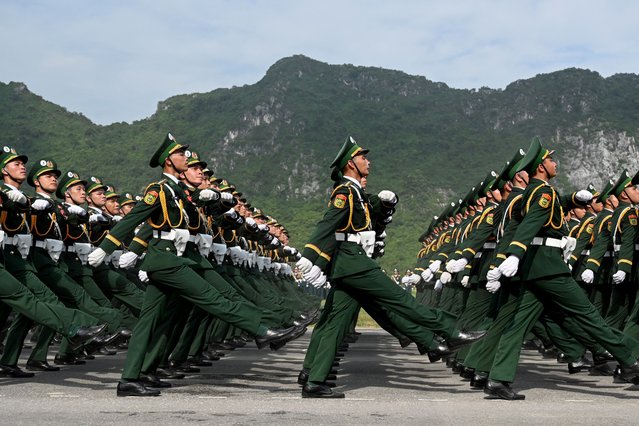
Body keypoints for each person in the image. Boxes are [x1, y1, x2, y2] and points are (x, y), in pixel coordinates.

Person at [88, 133, 302, 397]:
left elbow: (197, 212)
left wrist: (213, 199)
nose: (187, 160)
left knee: (154, 321)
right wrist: (105, 248)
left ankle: (136, 375)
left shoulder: (178, 191)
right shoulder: (159, 190)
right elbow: (133, 220)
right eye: (181, 156)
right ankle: (260, 330)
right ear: (169, 161)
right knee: (213, 299)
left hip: (177, 258)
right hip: (167, 261)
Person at [296, 136, 486, 398]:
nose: (368, 162)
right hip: (353, 262)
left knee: (333, 322)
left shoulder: (357, 193)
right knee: (401, 301)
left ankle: (313, 379)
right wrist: (310, 255)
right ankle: (450, 331)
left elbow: (377, 208)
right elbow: (327, 224)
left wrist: (389, 200)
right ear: (351, 163)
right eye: (363, 158)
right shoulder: (345, 192)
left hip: (350, 263)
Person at [483, 137, 639, 400]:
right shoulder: (543, 193)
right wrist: (514, 253)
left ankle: (497, 379)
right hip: (550, 268)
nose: (556, 163)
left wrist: (573, 199)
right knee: (589, 317)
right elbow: (531, 223)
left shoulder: (534, 191)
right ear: (541, 167)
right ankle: (630, 361)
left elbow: (546, 211)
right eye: (551, 160)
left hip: (535, 269)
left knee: (517, 325)